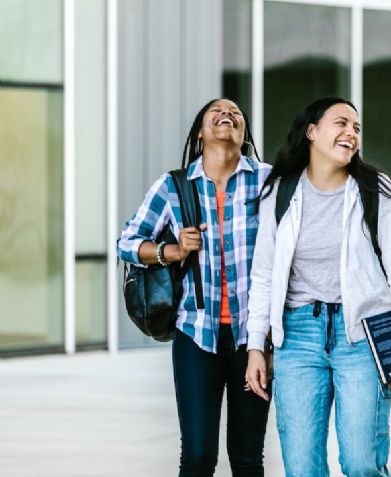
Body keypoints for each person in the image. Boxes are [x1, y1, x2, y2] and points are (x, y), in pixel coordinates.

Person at [244, 97, 391, 476]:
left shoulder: (374, 187)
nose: (350, 133)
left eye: (356, 128)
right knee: (302, 466)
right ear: (312, 132)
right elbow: (264, 274)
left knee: (361, 463)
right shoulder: (281, 191)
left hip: (363, 334)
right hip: (298, 334)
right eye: (341, 123)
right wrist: (256, 345)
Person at [118, 98, 272, 476]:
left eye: (236, 114)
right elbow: (127, 242)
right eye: (216, 113)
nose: (228, 115)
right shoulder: (173, 186)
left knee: (248, 455)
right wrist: (172, 250)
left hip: (252, 338)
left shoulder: (268, 180)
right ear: (201, 133)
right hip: (195, 333)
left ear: (244, 133)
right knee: (199, 455)